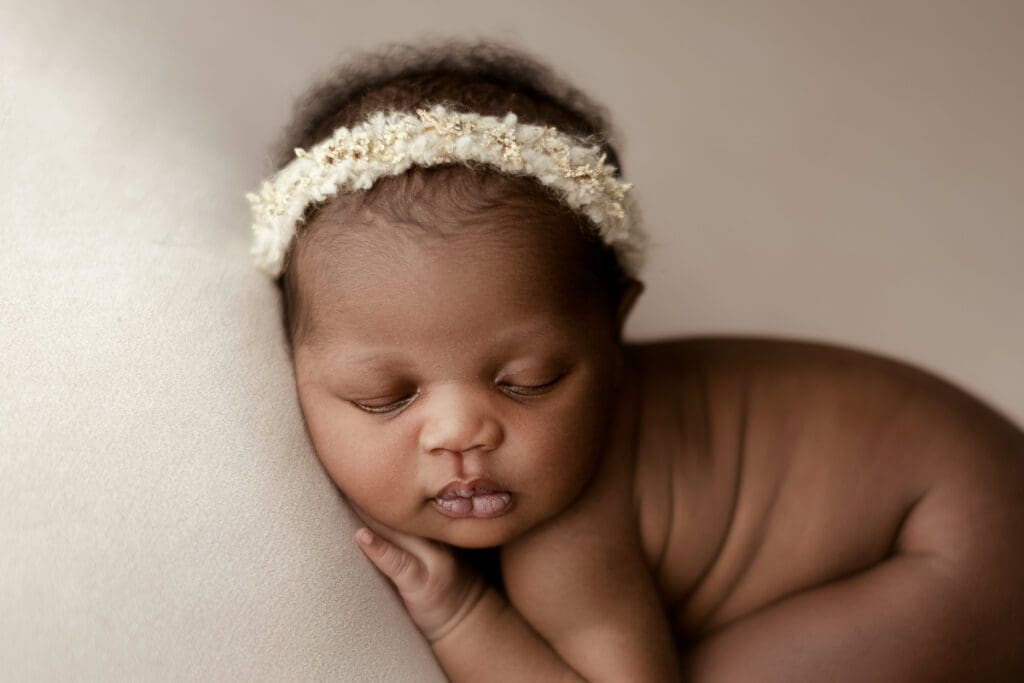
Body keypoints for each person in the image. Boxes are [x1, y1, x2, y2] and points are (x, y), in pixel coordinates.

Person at [245, 38, 1024, 681]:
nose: (460, 431)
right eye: (382, 396)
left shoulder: (568, 535)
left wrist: (460, 614)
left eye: (528, 381)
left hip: (964, 538)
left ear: (613, 333)